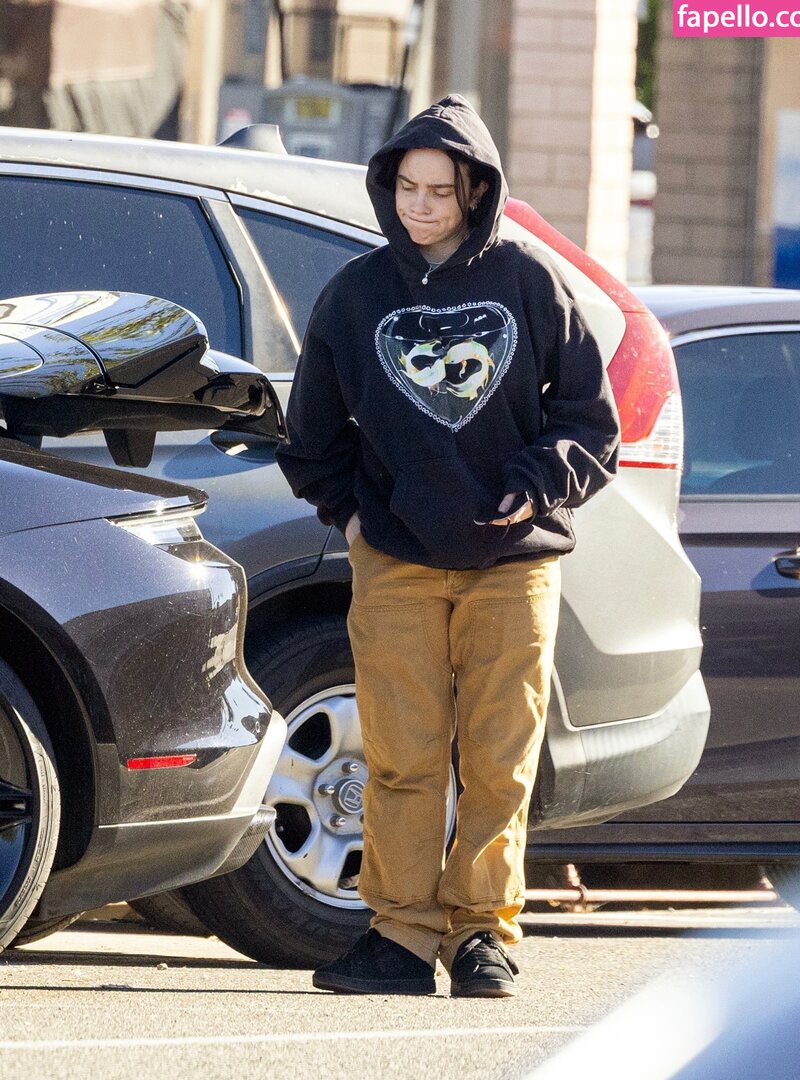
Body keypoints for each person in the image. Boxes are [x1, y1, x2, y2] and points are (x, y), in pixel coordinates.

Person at [276, 95, 620, 998]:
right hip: (395, 561)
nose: (420, 206)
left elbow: (590, 422)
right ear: (386, 186)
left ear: (475, 190)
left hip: (513, 565)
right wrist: (354, 519)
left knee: (499, 762)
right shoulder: (356, 293)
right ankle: (397, 935)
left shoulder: (529, 281)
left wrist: (537, 482)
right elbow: (311, 436)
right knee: (401, 759)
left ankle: (481, 937)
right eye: (406, 187)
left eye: (439, 190)